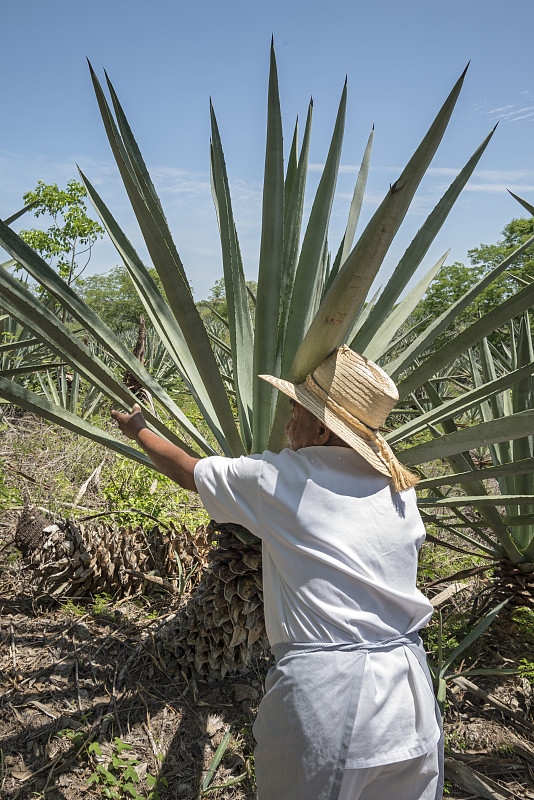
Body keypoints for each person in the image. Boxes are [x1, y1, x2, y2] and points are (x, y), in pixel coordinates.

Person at [111, 345, 443, 800]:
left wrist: (138, 430)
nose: (289, 421)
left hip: (329, 692)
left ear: (322, 429)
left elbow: (187, 471)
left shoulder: (282, 480)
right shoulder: (400, 489)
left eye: (296, 410)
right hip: (412, 691)